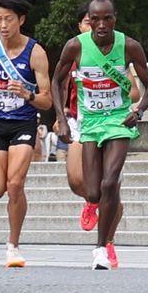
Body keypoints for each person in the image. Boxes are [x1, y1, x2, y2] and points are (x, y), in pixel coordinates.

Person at [52, 0, 148, 270]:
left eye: (106, 18)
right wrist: (61, 118)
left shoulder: (129, 46)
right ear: (88, 20)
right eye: (94, 19)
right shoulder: (75, 46)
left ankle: (101, 248)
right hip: (90, 122)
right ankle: (101, 207)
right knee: (94, 191)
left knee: (110, 183)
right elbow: (56, 79)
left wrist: (139, 110)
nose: (100, 24)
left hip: (119, 121)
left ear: (114, 19)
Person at [0, 0, 52, 268]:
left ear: (21, 20)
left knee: (15, 185)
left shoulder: (35, 53)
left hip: (23, 123)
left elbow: (46, 99)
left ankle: (13, 245)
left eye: (8, 20)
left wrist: (27, 93)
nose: (3, 25)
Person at [53, 11, 94, 209]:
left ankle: (108, 229)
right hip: (79, 121)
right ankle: (94, 201)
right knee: (76, 180)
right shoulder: (73, 54)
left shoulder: (113, 52)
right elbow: (61, 86)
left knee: (106, 182)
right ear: (79, 26)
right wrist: (61, 116)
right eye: (88, 23)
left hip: (107, 123)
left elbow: (134, 92)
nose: (92, 27)